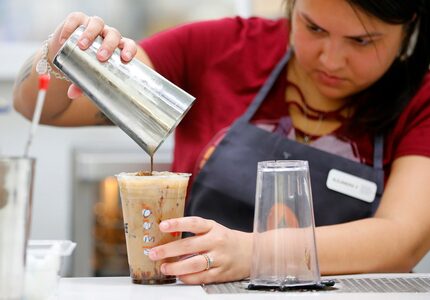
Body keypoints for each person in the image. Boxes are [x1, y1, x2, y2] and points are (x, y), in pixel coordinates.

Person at [13, 0, 430, 284]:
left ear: (410, 23)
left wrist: (255, 253)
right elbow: (45, 109)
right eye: (313, 27)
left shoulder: (420, 97)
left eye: (362, 41)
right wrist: (63, 55)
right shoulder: (219, 48)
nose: (331, 59)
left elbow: (401, 239)